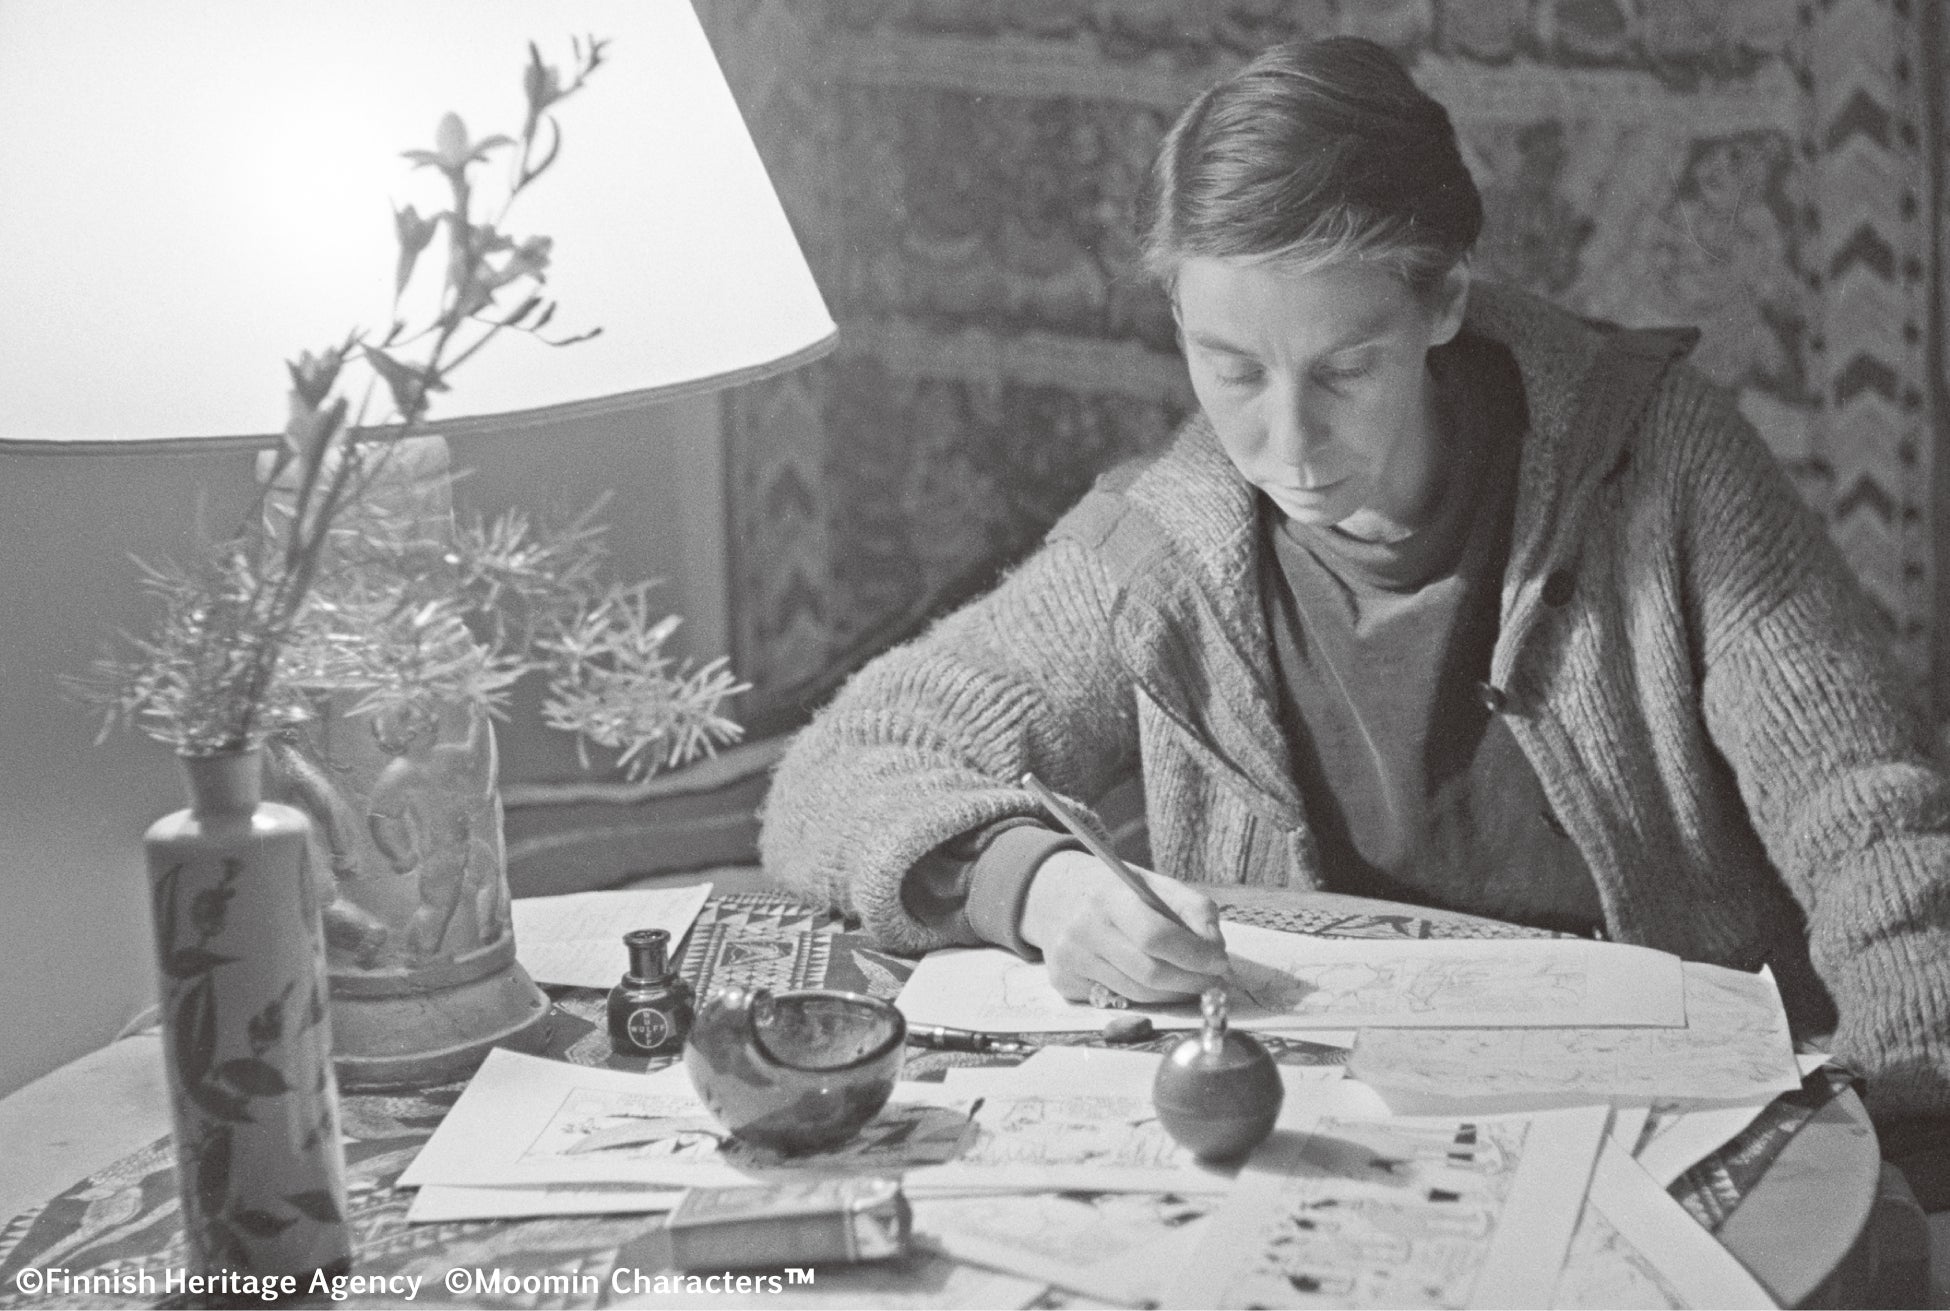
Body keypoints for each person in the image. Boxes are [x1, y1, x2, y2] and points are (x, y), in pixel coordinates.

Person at [758, 36, 1950, 1127]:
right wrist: (1035, 883)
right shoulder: (1157, 550)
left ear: (1444, 301)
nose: (1287, 445)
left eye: (1344, 371)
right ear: (1177, 316)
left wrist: (1910, 1132)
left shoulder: (1664, 467)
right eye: (1232, 369)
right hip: (1323, 1132)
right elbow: (841, 769)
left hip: (1667, 1116)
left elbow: (1863, 817)